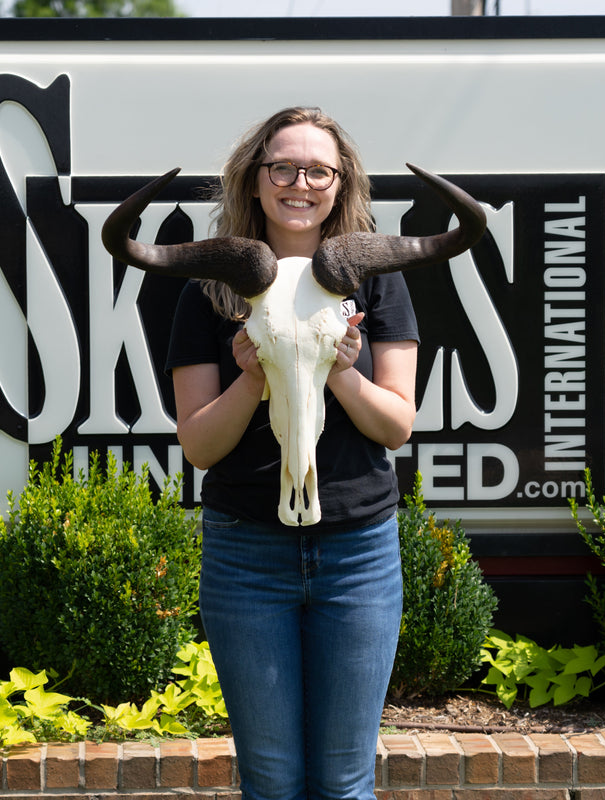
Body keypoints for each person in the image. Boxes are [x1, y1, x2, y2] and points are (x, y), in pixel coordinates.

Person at [165, 106, 419, 800]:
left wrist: (340, 369)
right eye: (283, 166)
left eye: (318, 170)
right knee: (272, 781)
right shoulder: (214, 286)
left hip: (358, 554)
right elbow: (200, 446)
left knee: (343, 781)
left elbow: (396, 425)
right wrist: (251, 378)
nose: (299, 182)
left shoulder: (373, 278)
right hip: (246, 555)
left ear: (341, 183)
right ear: (255, 177)